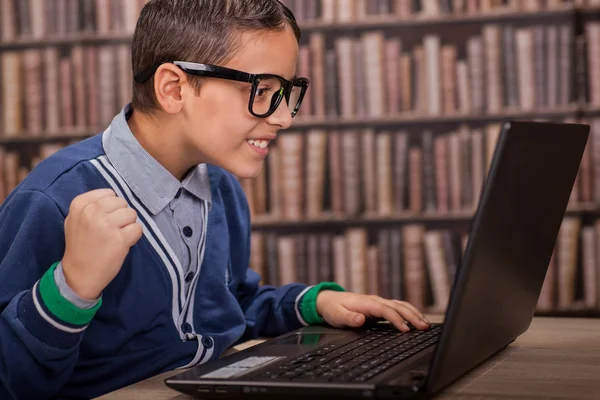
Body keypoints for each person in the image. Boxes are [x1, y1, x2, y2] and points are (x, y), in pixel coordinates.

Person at [0, 1, 430, 399]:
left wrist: (313, 304)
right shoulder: (52, 198)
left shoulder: (218, 183)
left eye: (288, 92)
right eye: (262, 90)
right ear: (174, 88)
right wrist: (71, 288)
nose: (282, 117)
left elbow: (229, 305)